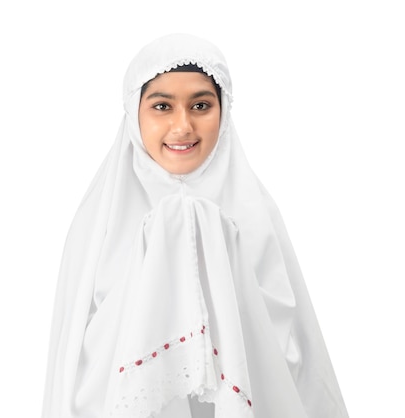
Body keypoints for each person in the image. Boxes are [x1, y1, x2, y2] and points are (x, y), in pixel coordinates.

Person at [41, 33, 349, 418]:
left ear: (224, 110)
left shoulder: (255, 213)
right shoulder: (100, 221)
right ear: (134, 113)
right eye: (162, 106)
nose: (182, 126)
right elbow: (73, 356)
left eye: (201, 105)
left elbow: (292, 343)